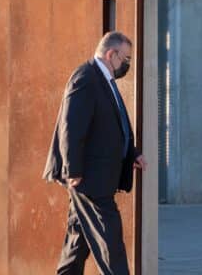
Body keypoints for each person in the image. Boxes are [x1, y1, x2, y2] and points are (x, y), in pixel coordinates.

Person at [42, 31, 147, 275]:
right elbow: (71, 126)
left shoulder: (105, 80)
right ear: (111, 54)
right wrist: (73, 170)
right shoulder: (86, 77)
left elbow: (113, 125)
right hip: (89, 179)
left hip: (97, 177)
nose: (126, 65)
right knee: (111, 242)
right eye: (125, 59)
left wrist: (132, 154)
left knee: (77, 242)